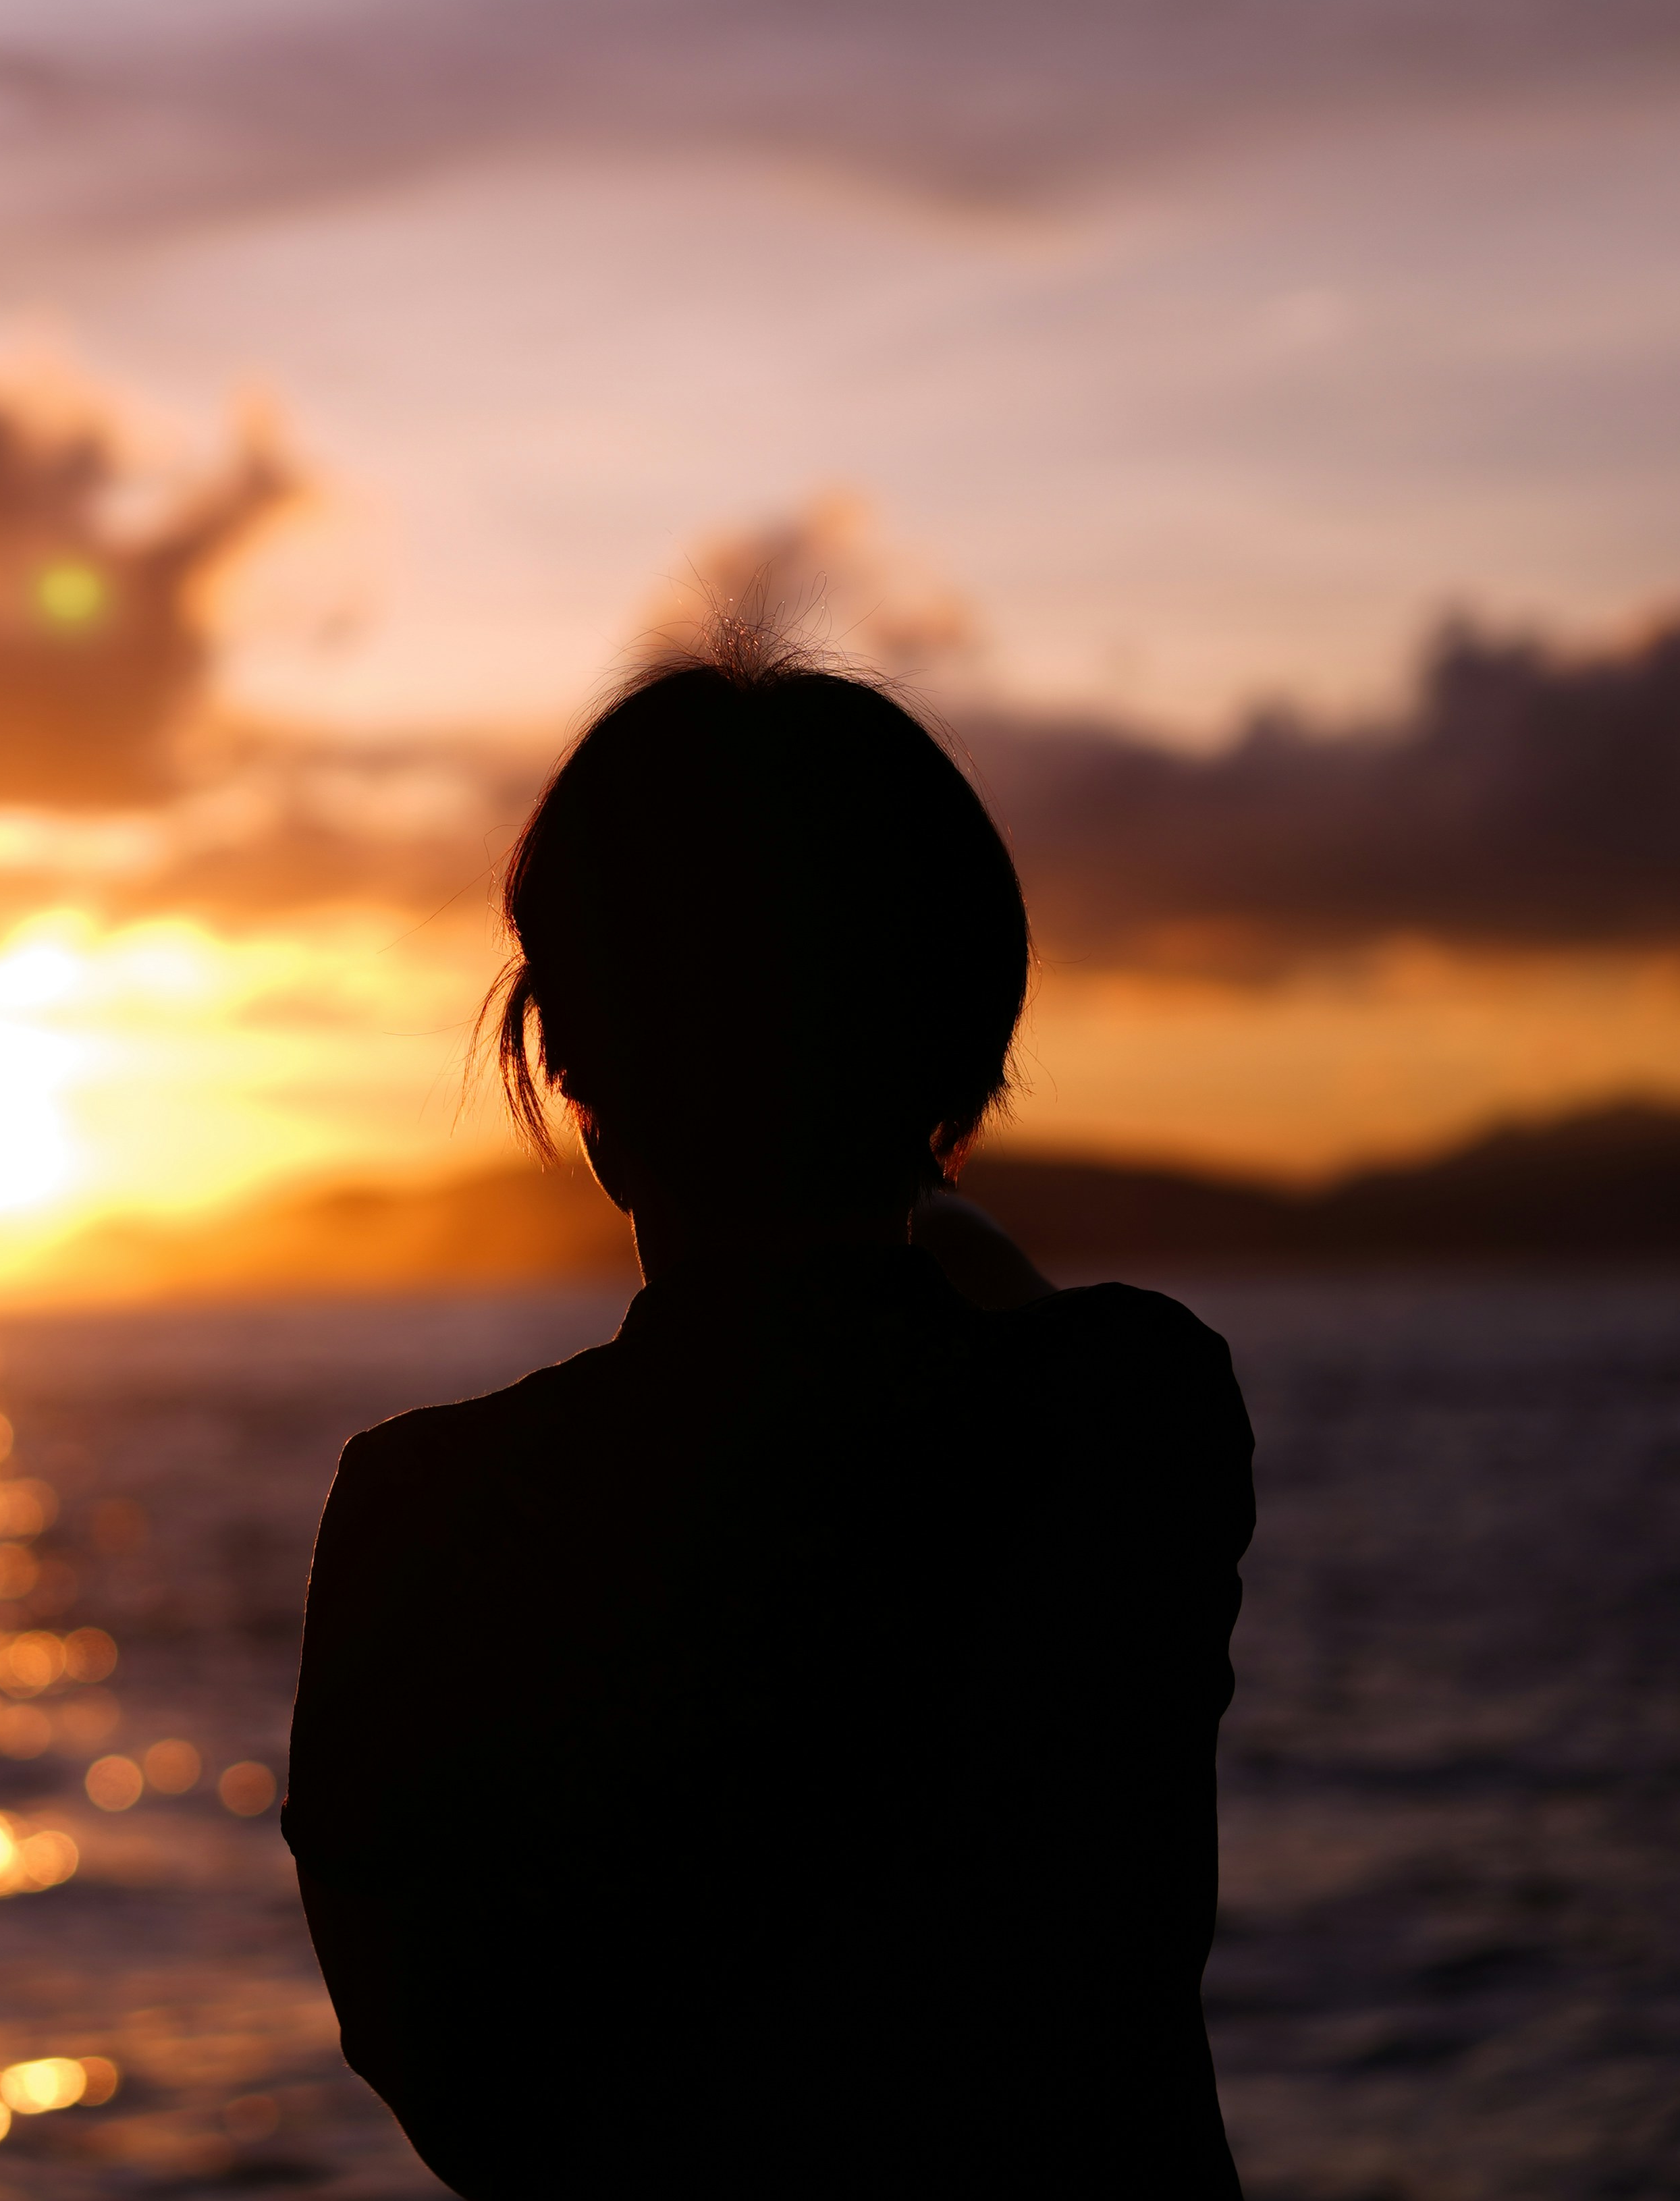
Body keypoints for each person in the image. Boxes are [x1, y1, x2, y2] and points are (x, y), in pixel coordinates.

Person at [283, 639, 1253, 2197]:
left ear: (574, 1067)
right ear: (958, 1046)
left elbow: (443, 2070)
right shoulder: (1131, 1412)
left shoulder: (424, 1516)